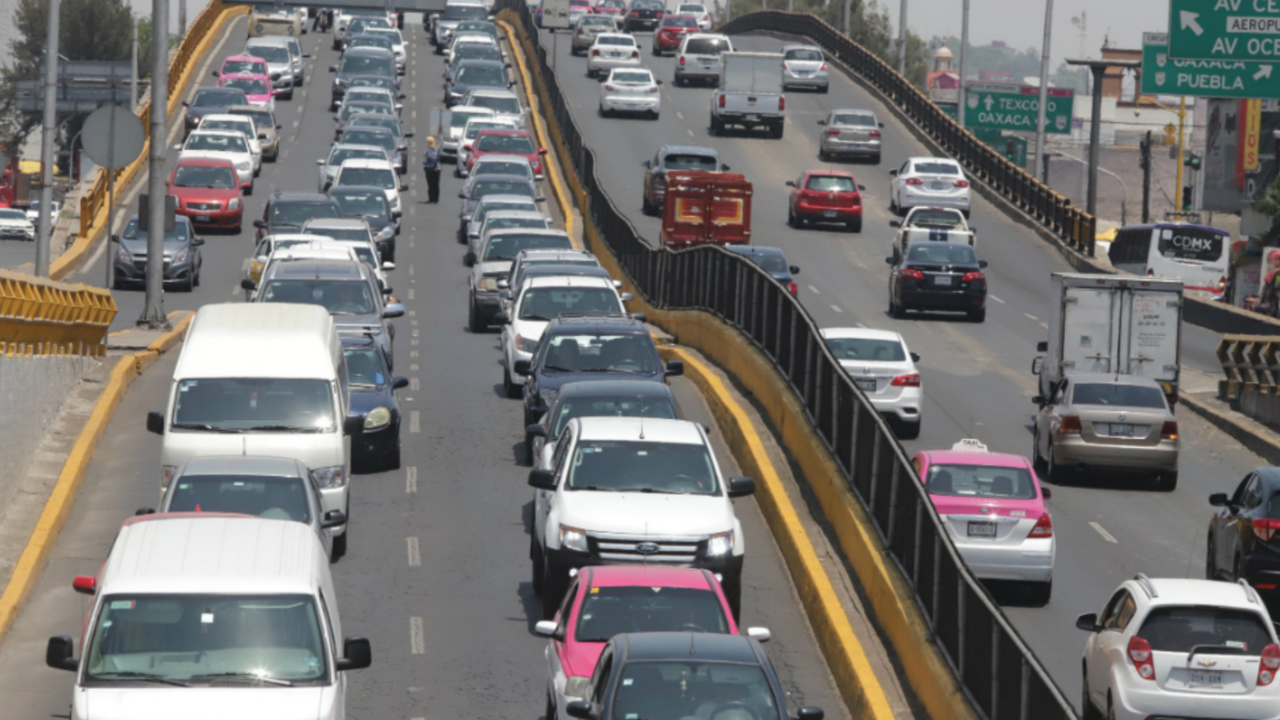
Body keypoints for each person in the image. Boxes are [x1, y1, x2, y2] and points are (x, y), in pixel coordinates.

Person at [423, 137, 441, 203]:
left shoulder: (426, 151)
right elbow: (439, 159)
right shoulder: (436, 150)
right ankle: (436, 199)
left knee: (430, 184)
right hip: (437, 169)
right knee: (436, 184)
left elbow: (424, 161)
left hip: (429, 170)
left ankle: (431, 198)